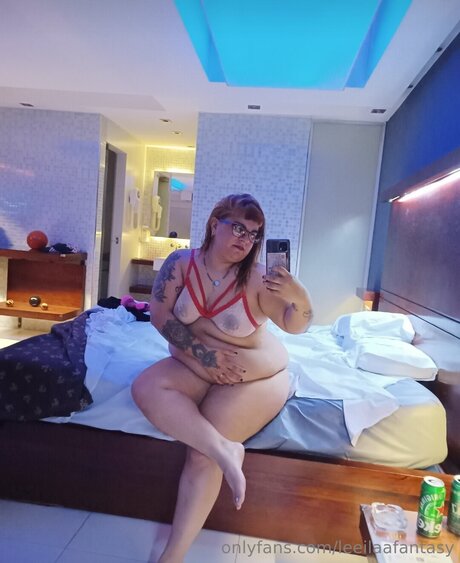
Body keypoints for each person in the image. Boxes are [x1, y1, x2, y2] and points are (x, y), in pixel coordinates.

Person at [131, 193, 313, 563]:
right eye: (238, 228)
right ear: (215, 225)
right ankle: (226, 450)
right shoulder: (181, 263)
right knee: (145, 387)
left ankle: (172, 556)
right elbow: (160, 314)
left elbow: (294, 325)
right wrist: (202, 355)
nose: (246, 240)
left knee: (200, 455)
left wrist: (301, 297)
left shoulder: (257, 278)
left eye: (254, 234)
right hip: (200, 364)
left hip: (252, 377)